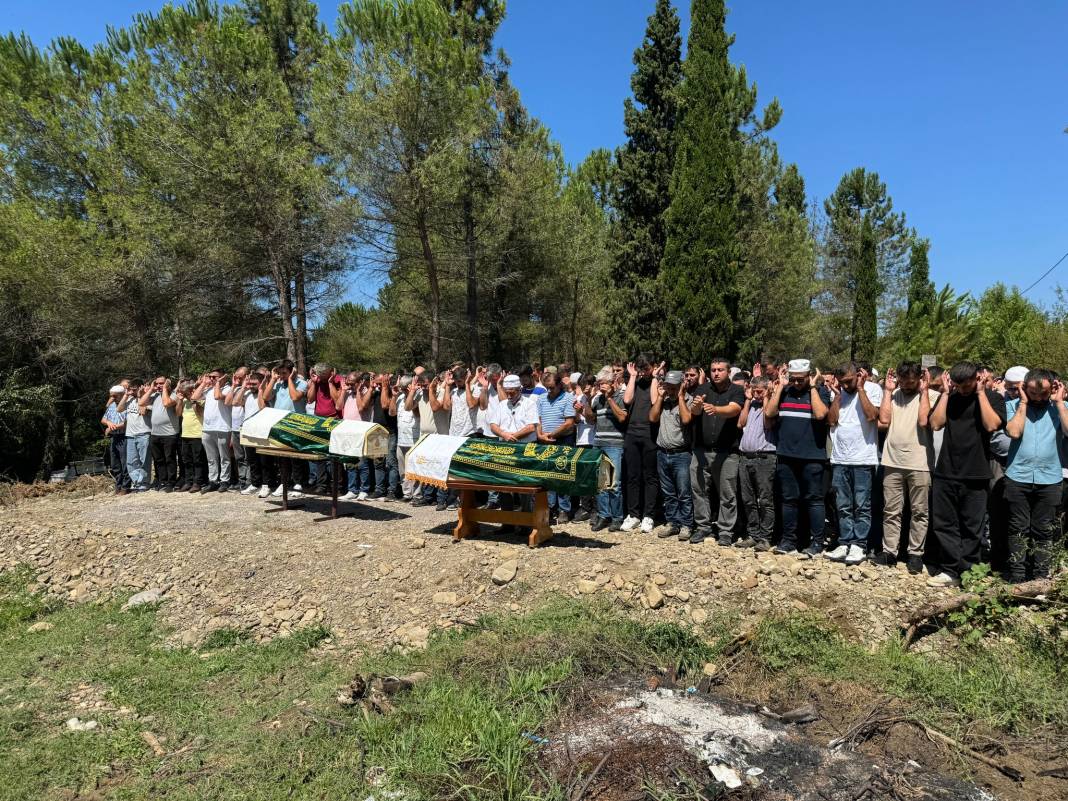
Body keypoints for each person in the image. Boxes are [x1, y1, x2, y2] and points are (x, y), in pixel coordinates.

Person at [928, 362, 1007, 587]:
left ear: (977, 378)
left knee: (972, 526)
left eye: (968, 385)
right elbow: (935, 423)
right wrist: (944, 394)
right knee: (944, 523)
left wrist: (981, 393)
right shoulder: (950, 398)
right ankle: (949, 570)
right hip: (946, 470)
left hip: (976, 472)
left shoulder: (992, 398)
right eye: (958, 385)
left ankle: (969, 571)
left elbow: (992, 425)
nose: (963, 390)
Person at [1003, 369, 1066, 583]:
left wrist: (1058, 402)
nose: (1038, 398)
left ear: (1054, 389)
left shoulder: (1061, 408)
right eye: (1033, 393)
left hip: (1049, 478)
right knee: (1018, 527)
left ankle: (1041, 576)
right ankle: (1017, 575)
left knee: (1043, 530)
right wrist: (1022, 403)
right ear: (1024, 388)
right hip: (1018, 476)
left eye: (1044, 393)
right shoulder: (1013, 406)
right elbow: (1014, 432)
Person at [764, 359, 831, 557]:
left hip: (812, 456)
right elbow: (769, 412)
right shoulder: (785, 391)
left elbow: (820, 414)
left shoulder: (820, 391)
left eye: (801, 379)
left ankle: (817, 543)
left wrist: (812, 387)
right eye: (793, 379)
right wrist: (781, 387)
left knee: (814, 500)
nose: (797, 383)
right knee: (788, 499)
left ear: (809, 376)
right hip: (786, 454)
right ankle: (788, 541)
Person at [875, 362, 934, 573]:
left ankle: (915, 554)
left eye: (912, 382)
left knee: (920, 511)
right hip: (892, 461)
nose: (907, 386)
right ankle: (889, 551)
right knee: (891, 511)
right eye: (903, 381)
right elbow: (883, 419)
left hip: (920, 463)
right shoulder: (893, 394)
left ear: (920, 378)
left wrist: (925, 391)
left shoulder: (929, 395)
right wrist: (888, 391)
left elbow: (924, 421)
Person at [825, 362, 882, 565]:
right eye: (842, 382)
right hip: (840, 458)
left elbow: (872, 415)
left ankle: (860, 545)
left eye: (849, 381)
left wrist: (860, 389)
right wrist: (838, 396)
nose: (845, 385)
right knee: (842, 505)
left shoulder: (873, 389)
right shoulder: (839, 393)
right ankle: (845, 541)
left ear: (858, 375)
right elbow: (831, 421)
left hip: (863, 458)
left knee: (862, 505)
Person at [689, 357, 745, 545]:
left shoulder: (737, 390)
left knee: (727, 493)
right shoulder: (703, 389)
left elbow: (735, 409)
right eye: (713, 370)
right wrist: (697, 406)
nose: (716, 373)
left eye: (720, 369)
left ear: (728, 372)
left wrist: (716, 409)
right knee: (699, 490)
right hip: (701, 450)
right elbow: (695, 412)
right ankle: (703, 527)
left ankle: (725, 531)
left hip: (727, 452)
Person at [650, 370, 697, 541]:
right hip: (662, 453)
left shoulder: (688, 400)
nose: (669, 390)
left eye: (673, 387)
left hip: (681, 454)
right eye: (667, 387)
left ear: (681, 385)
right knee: (668, 492)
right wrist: (661, 397)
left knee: (684, 492)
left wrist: (681, 397)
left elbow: (686, 419)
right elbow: (652, 418)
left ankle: (686, 524)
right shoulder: (664, 401)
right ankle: (672, 522)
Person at [735, 376, 778, 550]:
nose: (757, 395)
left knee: (765, 499)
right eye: (755, 391)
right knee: (748, 499)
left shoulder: (772, 407)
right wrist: (747, 400)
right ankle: (753, 534)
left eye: (761, 391)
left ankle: (766, 537)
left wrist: (768, 397)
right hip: (746, 457)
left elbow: (768, 422)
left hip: (764, 458)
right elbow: (740, 423)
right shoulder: (751, 405)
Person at [259, 360, 309, 498]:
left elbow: (295, 397)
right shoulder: (278, 384)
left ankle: (298, 483)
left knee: (296, 456)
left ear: (292, 371)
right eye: (279, 373)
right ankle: (284, 482)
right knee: (281, 456)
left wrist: (291, 380)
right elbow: (266, 396)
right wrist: (273, 380)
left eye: (284, 373)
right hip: (280, 424)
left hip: (296, 424)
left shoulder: (302, 383)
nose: (281, 376)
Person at [621, 355, 659, 534]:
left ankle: (649, 515)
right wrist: (633, 377)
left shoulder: (657, 381)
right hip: (632, 433)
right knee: (632, 476)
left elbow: (654, 401)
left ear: (653, 367)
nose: (643, 372)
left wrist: (655, 377)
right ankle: (633, 514)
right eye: (640, 369)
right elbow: (627, 400)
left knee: (650, 476)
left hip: (649, 433)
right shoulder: (634, 382)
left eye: (646, 369)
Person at [586, 367, 627, 532]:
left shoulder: (620, 397)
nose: (602, 386)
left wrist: (610, 399)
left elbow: (623, 418)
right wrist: (585, 404)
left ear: (613, 383)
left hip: (615, 445)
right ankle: (604, 515)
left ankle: (617, 518)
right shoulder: (597, 399)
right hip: (599, 443)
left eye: (605, 383)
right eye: (600, 383)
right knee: (602, 483)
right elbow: (591, 421)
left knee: (614, 484)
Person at [536, 368, 579, 523]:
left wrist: (552, 434)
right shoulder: (541, 398)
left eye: (552, 387)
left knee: (562, 475)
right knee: (547, 476)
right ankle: (549, 507)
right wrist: (541, 435)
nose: (550, 391)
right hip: (545, 441)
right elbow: (538, 419)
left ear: (560, 385)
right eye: (547, 388)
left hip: (563, 440)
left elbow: (569, 423)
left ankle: (564, 510)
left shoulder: (568, 398)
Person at [194, 368, 233, 493]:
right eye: (210, 377)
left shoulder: (228, 388)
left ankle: (225, 481)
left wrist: (217, 384)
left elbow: (218, 397)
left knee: (224, 457)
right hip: (207, 428)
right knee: (211, 458)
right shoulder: (208, 389)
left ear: (222, 377)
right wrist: (204, 384)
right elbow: (194, 397)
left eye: (215, 377)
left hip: (223, 427)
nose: (211, 379)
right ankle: (213, 481)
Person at [306, 363, 342, 494]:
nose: (322, 378)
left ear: (330, 373)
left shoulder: (338, 380)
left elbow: (338, 400)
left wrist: (330, 383)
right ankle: (321, 484)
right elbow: (309, 400)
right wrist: (314, 383)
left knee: (334, 455)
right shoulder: (317, 380)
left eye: (324, 376)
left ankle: (336, 486)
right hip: (319, 421)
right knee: (320, 455)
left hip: (335, 420)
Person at [145, 376, 179, 491]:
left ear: (167, 384)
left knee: (169, 459)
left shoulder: (174, 394)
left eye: (161, 383)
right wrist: (150, 390)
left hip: (169, 433)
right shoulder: (154, 396)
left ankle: (171, 482)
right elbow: (141, 403)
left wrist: (165, 389)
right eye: (157, 383)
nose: (159, 385)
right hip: (155, 433)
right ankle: (162, 481)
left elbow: (166, 403)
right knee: (158, 460)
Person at [118, 379, 152, 492]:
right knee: (131, 461)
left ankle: (144, 483)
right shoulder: (129, 399)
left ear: (140, 387)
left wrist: (140, 395)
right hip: (130, 434)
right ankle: (136, 482)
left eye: (134, 389)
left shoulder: (147, 399)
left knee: (144, 461)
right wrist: (126, 395)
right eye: (130, 389)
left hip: (144, 433)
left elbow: (142, 411)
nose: (132, 391)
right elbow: (119, 409)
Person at [370, 373, 400, 501]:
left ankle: (392, 491)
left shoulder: (392, 392)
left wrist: (385, 388)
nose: (378, 384)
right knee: (378, 463)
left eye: (381, 381)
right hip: (377, 431)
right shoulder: (375, 392)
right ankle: (379, 489)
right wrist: (372, 387)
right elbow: (363, 404)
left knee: (391, 462)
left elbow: (384, 405)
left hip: (390, 431)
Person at [175, 378, 207, 492]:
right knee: (186, 460)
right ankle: (188, 482)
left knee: (197, 460)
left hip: (197, 434)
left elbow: (199, 413)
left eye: (186, 392)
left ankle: (198, 482)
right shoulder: (183, 401)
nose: (184, 394)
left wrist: (193, 399)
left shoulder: (201, 399)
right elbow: (178, 413)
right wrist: (179, 400)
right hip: (185, 434)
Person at [395, 375, 421, 501]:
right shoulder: (399, 397)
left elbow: (409, 407)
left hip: (414, 439)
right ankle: (407, 493)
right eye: (402, 388)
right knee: (403, 470)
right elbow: (391, 412)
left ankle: (417, 494)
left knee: (415, 469)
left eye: (405, 388)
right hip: (401, 439)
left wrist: (411, 393)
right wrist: (395, 395)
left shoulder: (418, 396)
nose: (403, 391)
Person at [101, 384, 130, 495]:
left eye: (114, 395)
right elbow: (103, 419)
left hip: (124, 435)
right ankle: (118, 485)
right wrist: (109, 423)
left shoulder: (128, 405)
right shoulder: (112, 405)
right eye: (111, 395)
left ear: (121, 395)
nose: (112, 398)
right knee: (115, 463)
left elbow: (128, 422)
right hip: (114, 436)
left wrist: (115, 426)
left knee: (124, 462)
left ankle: (125, 486)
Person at [227, 367, 250, 490]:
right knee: (239, 457)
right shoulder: (236, 389)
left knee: (248, 456)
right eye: (235, 377)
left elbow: (237, 402)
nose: (237, 379)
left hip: (246, 428)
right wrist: (233, 385)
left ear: (247, 376)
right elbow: (228, 402)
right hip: (235, 428)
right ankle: (242, 480)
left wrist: (243, 386)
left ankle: (249, 481)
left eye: (239, 377)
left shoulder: (249, 390)